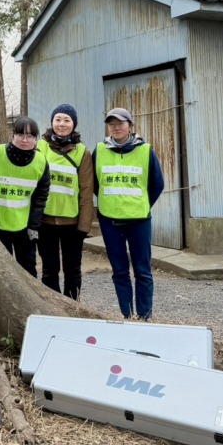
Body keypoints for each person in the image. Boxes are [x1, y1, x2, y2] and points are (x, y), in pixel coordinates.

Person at [94, 107, 165, 321]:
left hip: (139, 220)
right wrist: (111, 202)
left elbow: (157, 184)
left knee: (142, 270)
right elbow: (96, 184)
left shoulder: (145, 150)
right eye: (111, 123)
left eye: (121, 123)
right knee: (120, 271)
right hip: (109, 219)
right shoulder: (99, 150)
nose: (116, 127)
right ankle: (127, 314)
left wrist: (142, 204)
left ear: (130, 126)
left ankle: (144, 315)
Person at [0, 117, 50, 277]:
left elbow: (40, 198)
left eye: (30, 136)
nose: (24, 140)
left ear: (36, 139)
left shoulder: (41, 162)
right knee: (0, 269)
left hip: (25, 226)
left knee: (28, 269)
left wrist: (33, 227)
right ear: (13, 135)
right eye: (20, 134)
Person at [37, 104, 94, 299]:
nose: (62, 124)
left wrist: (84, 226)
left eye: (66, 120)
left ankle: (73, 309)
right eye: (58, 120)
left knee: (72, 269)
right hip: (45, 222)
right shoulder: (40, 146)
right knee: (49, 269)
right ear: (52, 122)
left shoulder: (82, 153)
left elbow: (86, 191)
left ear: (74, 124)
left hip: (72, 223)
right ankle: (53, 310)